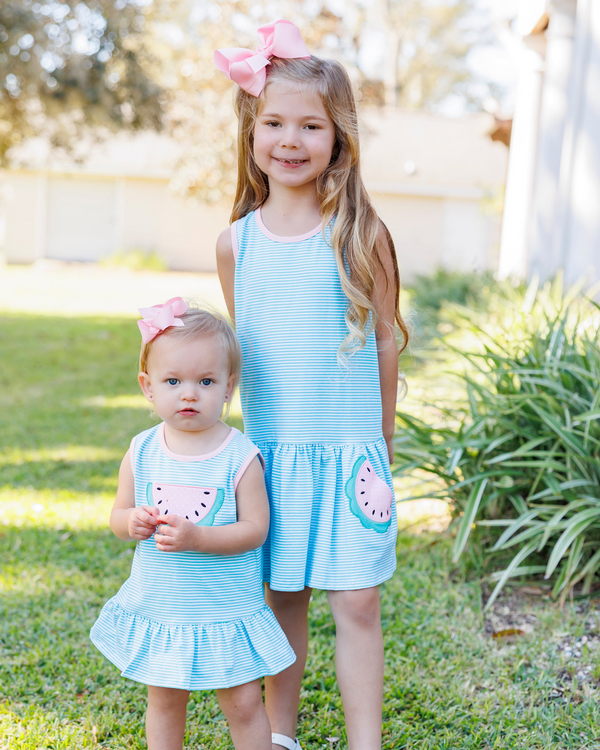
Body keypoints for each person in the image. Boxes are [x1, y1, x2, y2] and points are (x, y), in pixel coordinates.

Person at [214, 20, 409, 750]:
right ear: (251, 131)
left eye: (310, 125)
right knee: (282, 597)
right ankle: (280, 737)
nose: (289, 140)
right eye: (273, 122)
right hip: (271, 459)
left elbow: (386, 339)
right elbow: (247, 353)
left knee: (357, 601)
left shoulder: (360, 234)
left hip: (349, 451)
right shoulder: (237, 242)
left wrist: (384, 439)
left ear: (339, 139)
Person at [90, 298, 296, 750]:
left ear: (228, 388)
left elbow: (256, 529)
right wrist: (132, 521)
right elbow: (117, 516)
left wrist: (199, 537)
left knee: (243, 703)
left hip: (226, 610)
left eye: (205, 381)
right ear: (147, 387)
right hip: (163, 608)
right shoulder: (141, 450)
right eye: (173, 381)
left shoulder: (240, 456)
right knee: (164, 702)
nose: (189, 393)